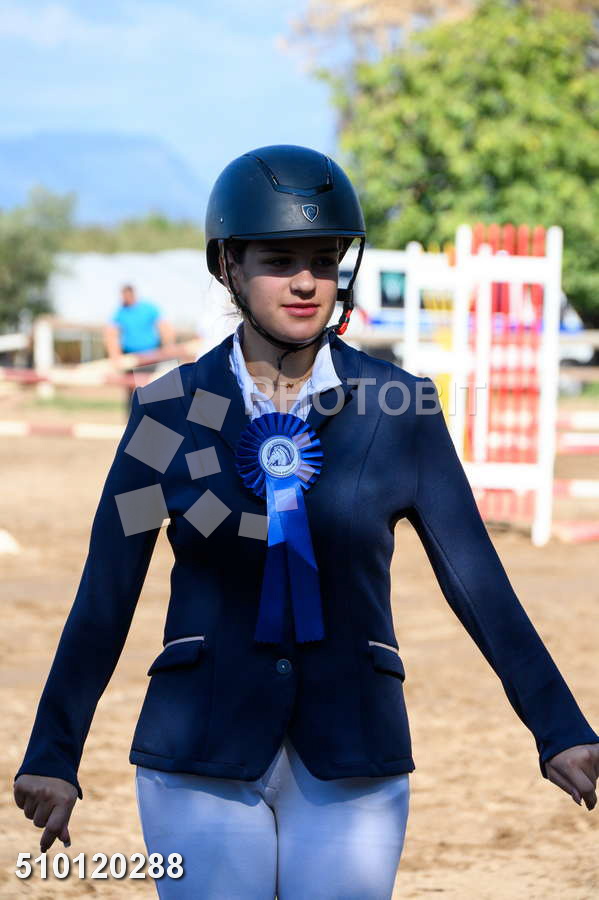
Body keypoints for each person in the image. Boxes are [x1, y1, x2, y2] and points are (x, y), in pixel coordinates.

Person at [13, 145, 599, 899]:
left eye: (324, 261)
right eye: (279, 259)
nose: (305, 281)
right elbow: (107, 589)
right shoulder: (165, 414)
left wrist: (558, 725)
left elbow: (477, 580)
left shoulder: (402, 409)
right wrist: (54, 751)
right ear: (227, 264)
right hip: (200, 749)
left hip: (355, 745)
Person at [103, 284, 176, 413]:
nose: (125, 299)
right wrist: (115, 356)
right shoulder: (120, 312)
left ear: (133, 294)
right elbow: (111, 334)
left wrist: (168, 346)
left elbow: (164, 326)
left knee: (154, 389)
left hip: (151, 356)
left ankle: (156, 416)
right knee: (132, 392)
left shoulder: (148, 308)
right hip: (130, 357)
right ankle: (132, 417)